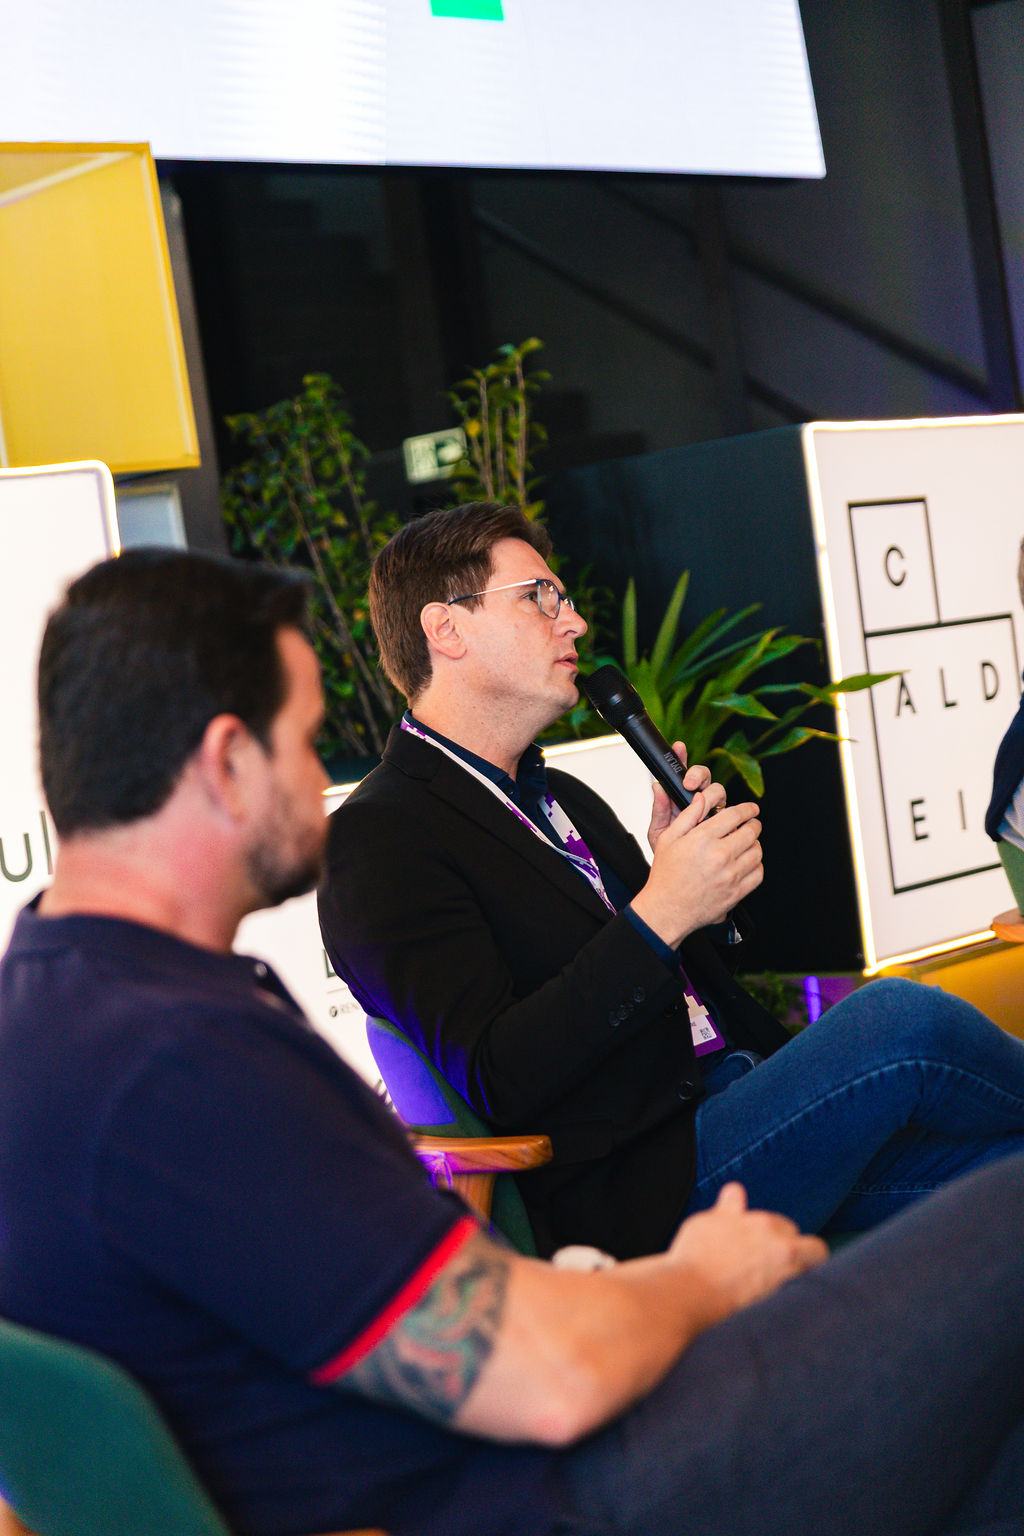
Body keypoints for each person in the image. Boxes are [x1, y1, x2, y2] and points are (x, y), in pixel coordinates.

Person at [4, 547, 1024, 1536]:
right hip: (572, 1490)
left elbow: (429, 1309)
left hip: (540, 1426)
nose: (320, 783)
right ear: (229, 762)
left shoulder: (66, 1011)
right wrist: (704, 1278)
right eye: (307, 744)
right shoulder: (182, 1064)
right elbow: (551, 1377)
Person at [319, 501, 1024, 1260]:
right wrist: (661, 911)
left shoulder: (563, 796)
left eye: (563, 597)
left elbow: (662, 979)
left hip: (746, 1109)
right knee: (896, 1018)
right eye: (538, 597)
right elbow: (501, 1075)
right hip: (643, 1184)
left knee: (1009, 1173)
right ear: (446, 629)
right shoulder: (379, 839)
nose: (573, 622)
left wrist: (695, 894)